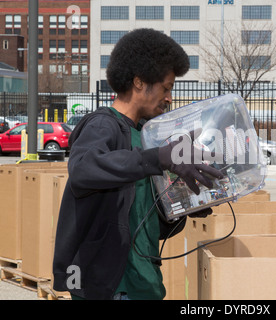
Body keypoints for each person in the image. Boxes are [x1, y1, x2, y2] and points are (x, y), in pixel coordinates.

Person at [52, 28, 223, 300]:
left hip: (144, 283)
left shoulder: (146, 135)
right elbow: (83, 169)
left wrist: (185, 205)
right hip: (110, 288)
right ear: (139, 82)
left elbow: (145, 222)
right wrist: (159, 158)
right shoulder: (102, 125)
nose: (169, 97)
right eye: (166, 88)